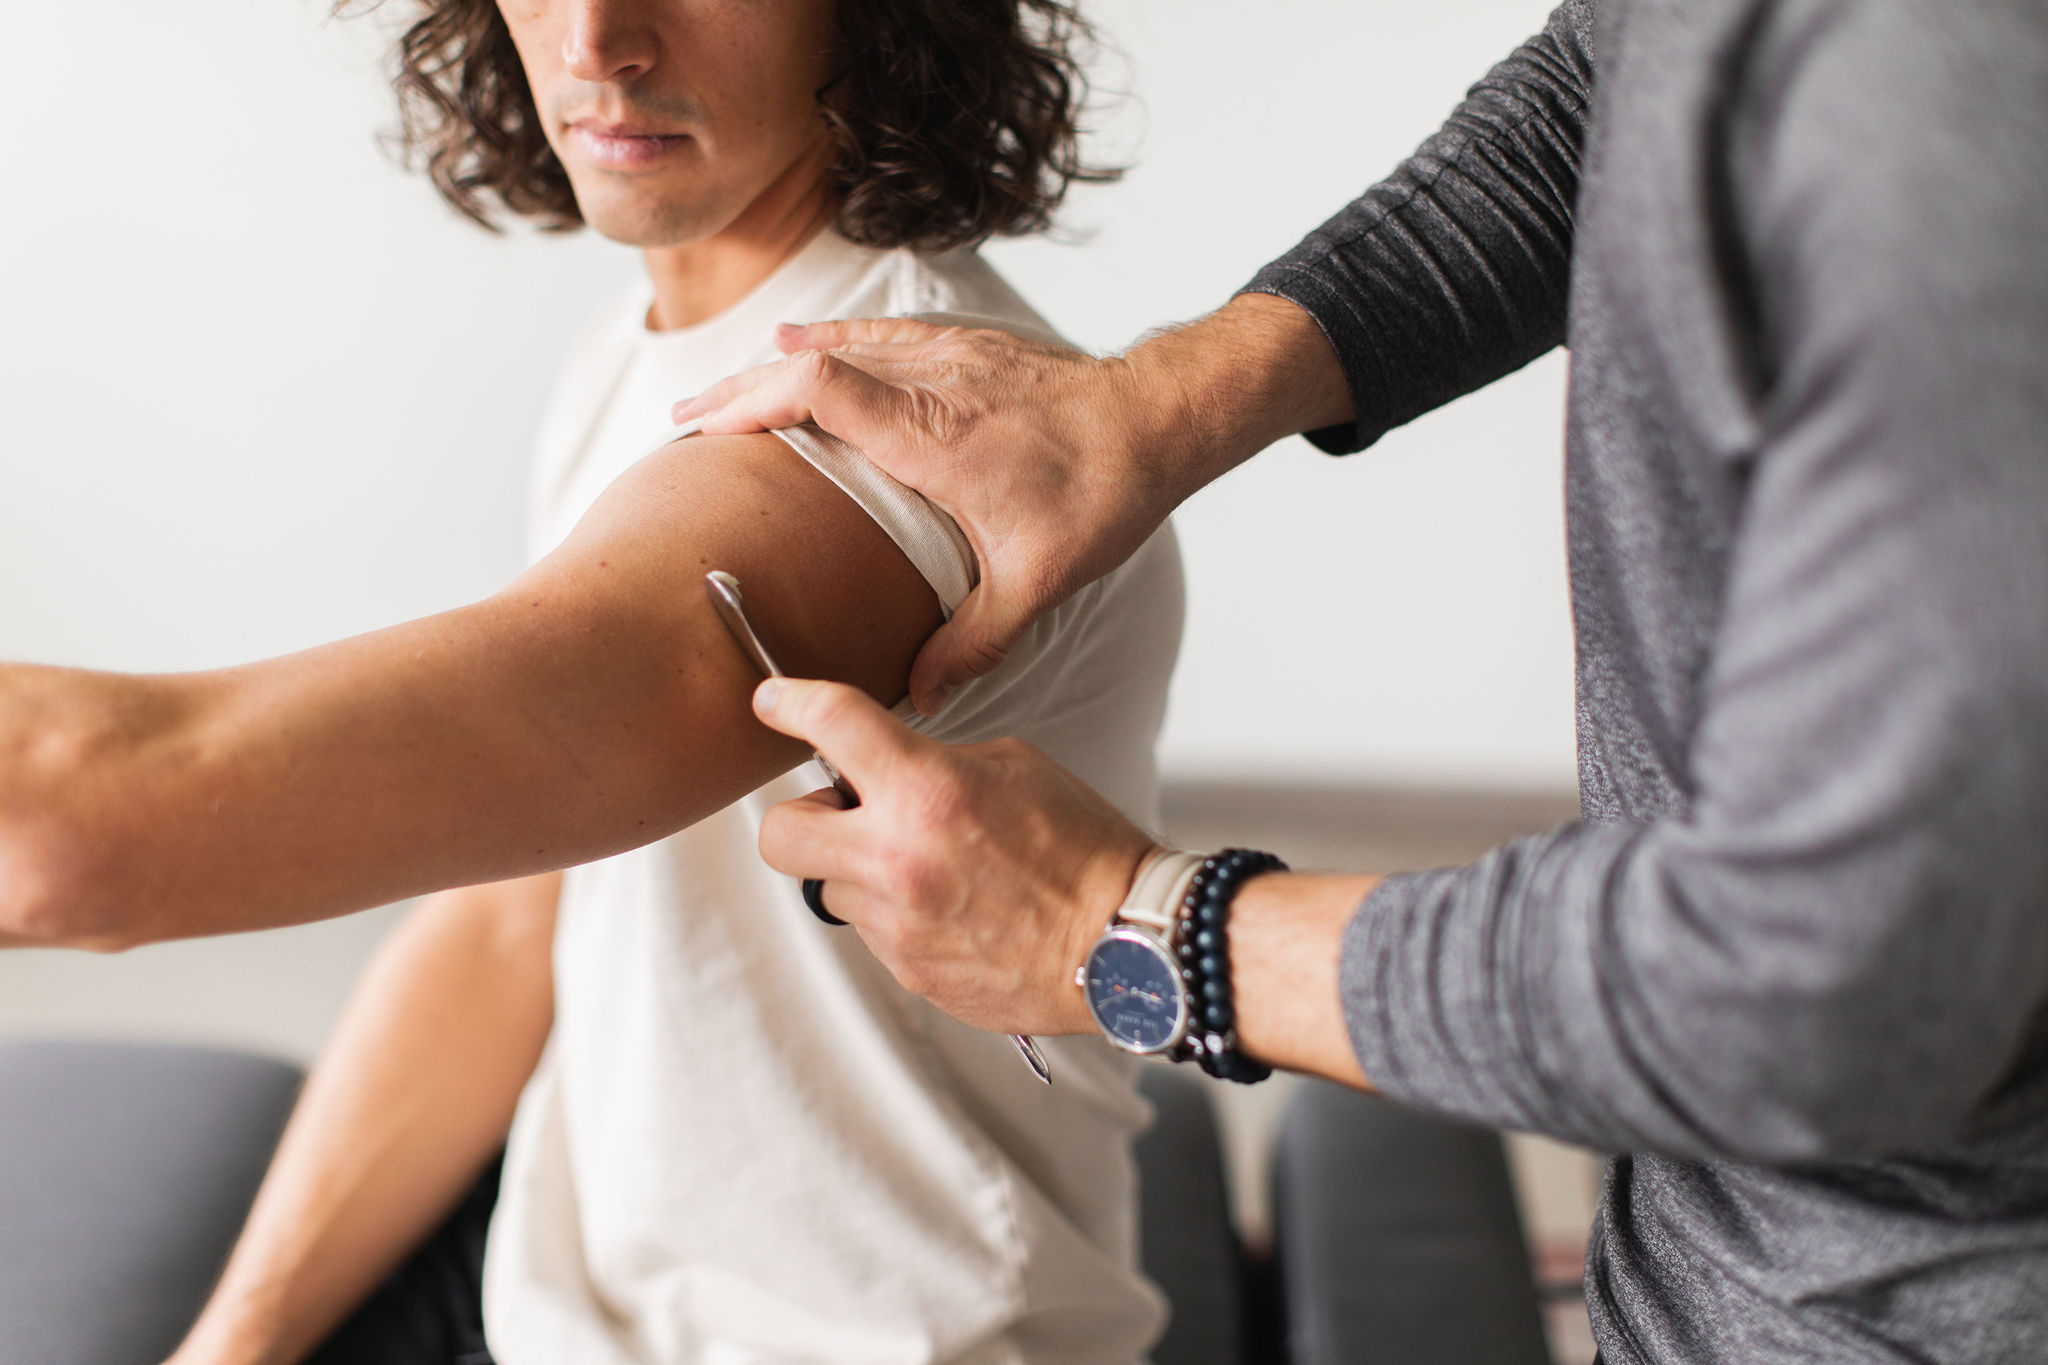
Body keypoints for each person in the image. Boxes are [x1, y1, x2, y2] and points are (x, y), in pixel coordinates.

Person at [677, 1, 2048, 1361]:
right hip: (1724, 1236)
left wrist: (1131, 926)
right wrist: (1158, 404)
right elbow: (1617, 79)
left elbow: (1816, 980)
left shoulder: (1952, 81)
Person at [0, 1, 1183, 1362]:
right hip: (577, 1296)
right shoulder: (634, 363)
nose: (598, 38)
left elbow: (82, 829)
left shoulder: (905, 434)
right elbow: (512, 930)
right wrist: (237, 1341)